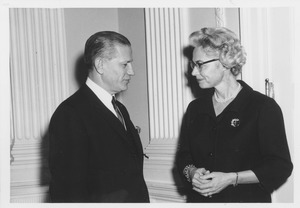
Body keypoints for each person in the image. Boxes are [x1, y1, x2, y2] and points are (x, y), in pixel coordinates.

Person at [176, 27, 293, 202]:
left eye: (200, 64)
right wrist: (191, 172)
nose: (193, 72)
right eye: (193, 65)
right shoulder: (195, 108)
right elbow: (183, 155)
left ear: (225, 62)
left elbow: (279, 166)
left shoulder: (262, 107)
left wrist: (231, 178)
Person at [48, 31, 149, 202]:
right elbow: (67, 191)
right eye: (125, 64)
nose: (131, 72)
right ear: (100, 65)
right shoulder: (70, 114)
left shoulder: (121, 110)